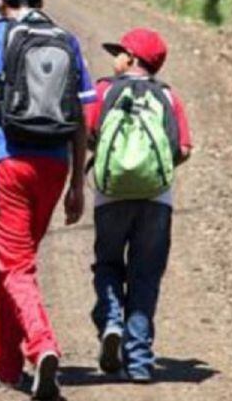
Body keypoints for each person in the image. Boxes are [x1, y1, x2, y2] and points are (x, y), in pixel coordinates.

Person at [0, 0, 96, 400]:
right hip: (53, 167)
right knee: (14, 261)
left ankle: (42, 346)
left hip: (7, 166)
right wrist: (75, 182)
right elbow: (79, 117)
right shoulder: (66, 40)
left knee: (16, 265)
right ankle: (5, 362)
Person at [83, 28, 192, 383]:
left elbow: (87, 135)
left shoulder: (104, 91)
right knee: (145, 274)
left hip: (111, 195)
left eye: (118, 52)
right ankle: (141, 361)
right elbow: (183, 149)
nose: (114, 58)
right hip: (156, 200)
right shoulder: (168, 97)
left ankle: (112, 321)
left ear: (131, 59)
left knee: (109, 264)